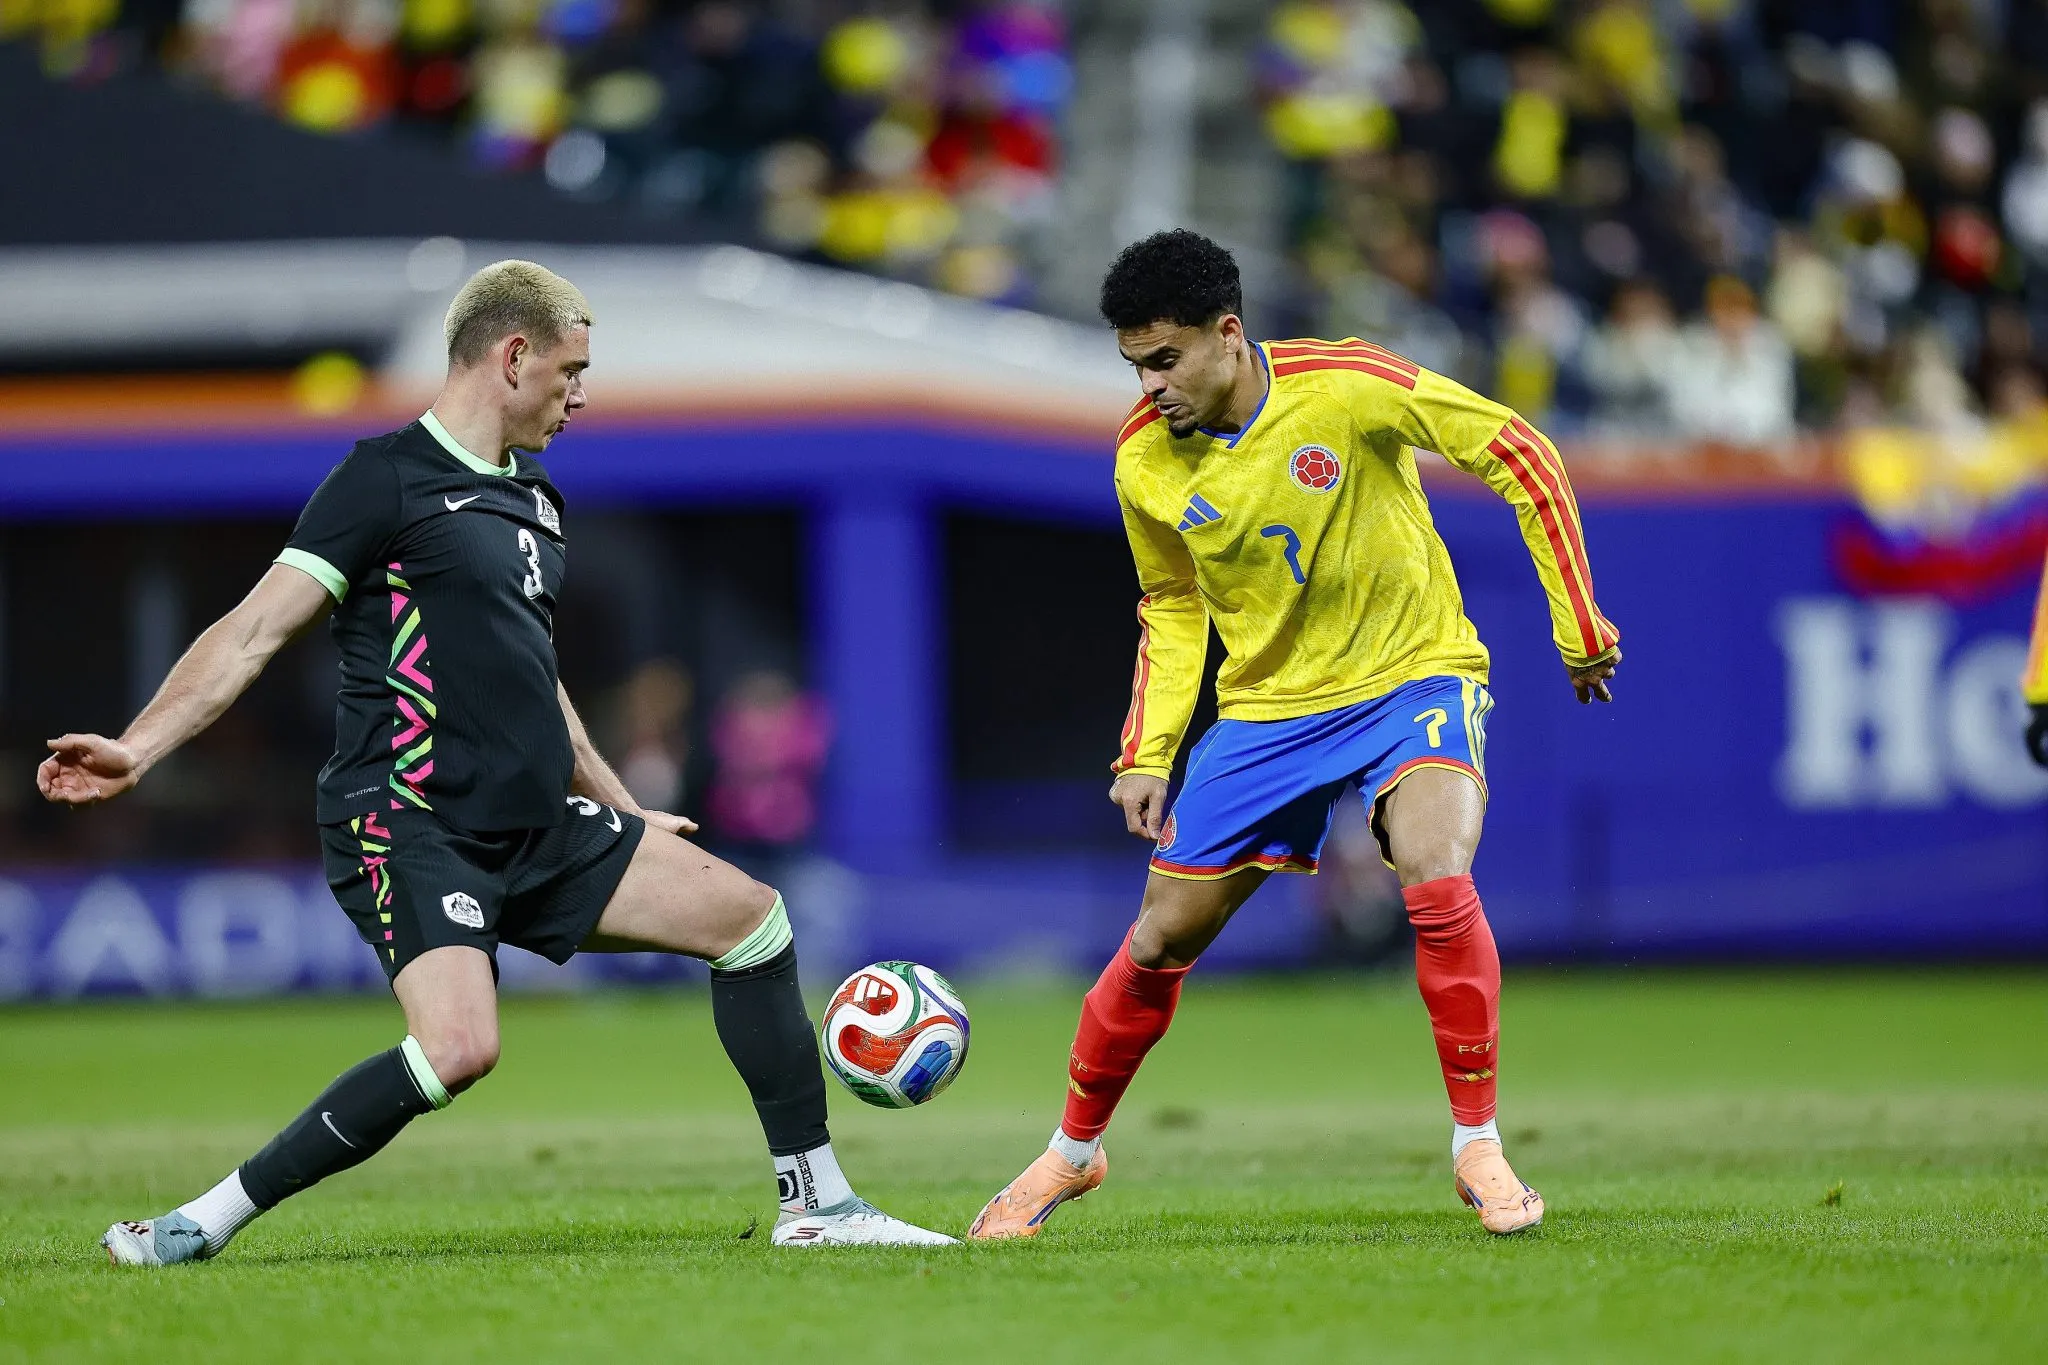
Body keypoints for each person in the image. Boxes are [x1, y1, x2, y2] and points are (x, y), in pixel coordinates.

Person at [41, 260, 952, 1262]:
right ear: (512, 356)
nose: (581, 394)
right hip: (410, 819)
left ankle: (815, 1203)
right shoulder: (381, 478)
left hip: (535, 827)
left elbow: (533, 678)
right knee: (460, 1049)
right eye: (570, 370)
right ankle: (197, 1223)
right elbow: (253, 631)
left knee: (751, 923)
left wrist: (618, 805)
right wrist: (140, 744)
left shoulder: (536, 502)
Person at [967, 230, 1621, 1241]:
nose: (1148, 386)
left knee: (1435, 869)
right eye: (1133, 365)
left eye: (1164, 359)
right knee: (1157, 938)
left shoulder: (1348, 384)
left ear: (1227, 335)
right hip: (1268, 712)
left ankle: (1476, 1145)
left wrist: (1573, 621)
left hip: (1413, 673)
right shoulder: (1141, 458)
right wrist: (1146, 752)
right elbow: (1172, 605)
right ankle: (1072, 1152)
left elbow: (1516, 451)